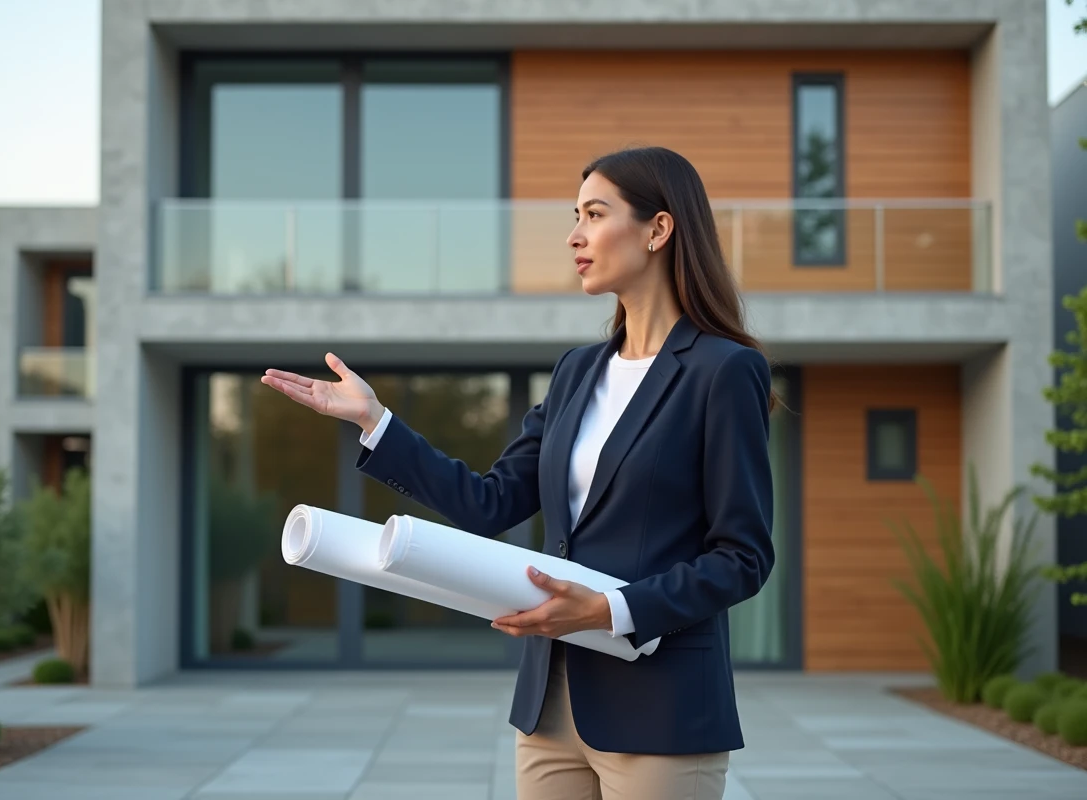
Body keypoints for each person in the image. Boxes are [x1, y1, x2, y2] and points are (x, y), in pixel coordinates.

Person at [262, 145, 776, 800]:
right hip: (549, 710)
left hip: (661, 712)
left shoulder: (723, 371)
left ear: (658, 229)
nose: (574, 235)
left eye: (594, 214)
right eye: (575, 215)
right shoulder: (575, 373)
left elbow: (742, 556)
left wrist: (612, 609)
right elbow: (490, 501)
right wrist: (376, 423)